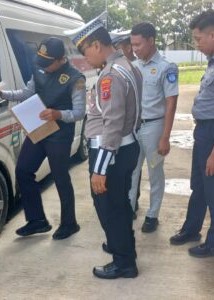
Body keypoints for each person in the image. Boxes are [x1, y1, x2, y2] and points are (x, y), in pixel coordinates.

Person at [65, 13, 142, 279]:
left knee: (110, 208)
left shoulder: (110, 76)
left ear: (97, 45)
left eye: (86, 51)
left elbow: (112, 125)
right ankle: (123, 248)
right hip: (124, 149)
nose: (85, 57)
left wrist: (99, 170)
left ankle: (124, 263)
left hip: (111, 152)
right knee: (118, 205)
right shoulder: (126, 65)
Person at [0, 37, 86, 240]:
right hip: (39, 129)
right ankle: (37, 221)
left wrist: (58, 114)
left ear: (61, 59)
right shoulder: (40, 68)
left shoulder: (76, 78)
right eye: (41, 61)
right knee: (23, 171)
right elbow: (26, 92)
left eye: (48, 63)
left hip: (60, 135)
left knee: (61, 178)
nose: (44, 67)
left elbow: (78, 112)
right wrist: (2, 93)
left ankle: (70, 223)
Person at [170, 10, 214, 258]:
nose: (196, 43)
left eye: (198, 39)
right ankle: (192, 228)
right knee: (199, 184)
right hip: (203, 130)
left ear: (213, 35)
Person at [129, 22, 179, 232]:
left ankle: (152, 215)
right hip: (133, 128)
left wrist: (165, 136)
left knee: (155, 171)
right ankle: (128, 208)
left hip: (154, 128)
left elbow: (171, 102)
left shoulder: (167, 67)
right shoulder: (134, 65)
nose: (135, 49)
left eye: (138, 44)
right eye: (132, 45)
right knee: (131, 171)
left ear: (151, 41)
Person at [110, 30, 140, 219]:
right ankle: (130, 207)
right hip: (131, 134)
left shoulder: (121, 71)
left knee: (121, 183)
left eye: (117, 47)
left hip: (127, 135)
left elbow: (114, 119)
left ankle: (130, 208)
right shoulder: (128, 69)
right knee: (129, 176)